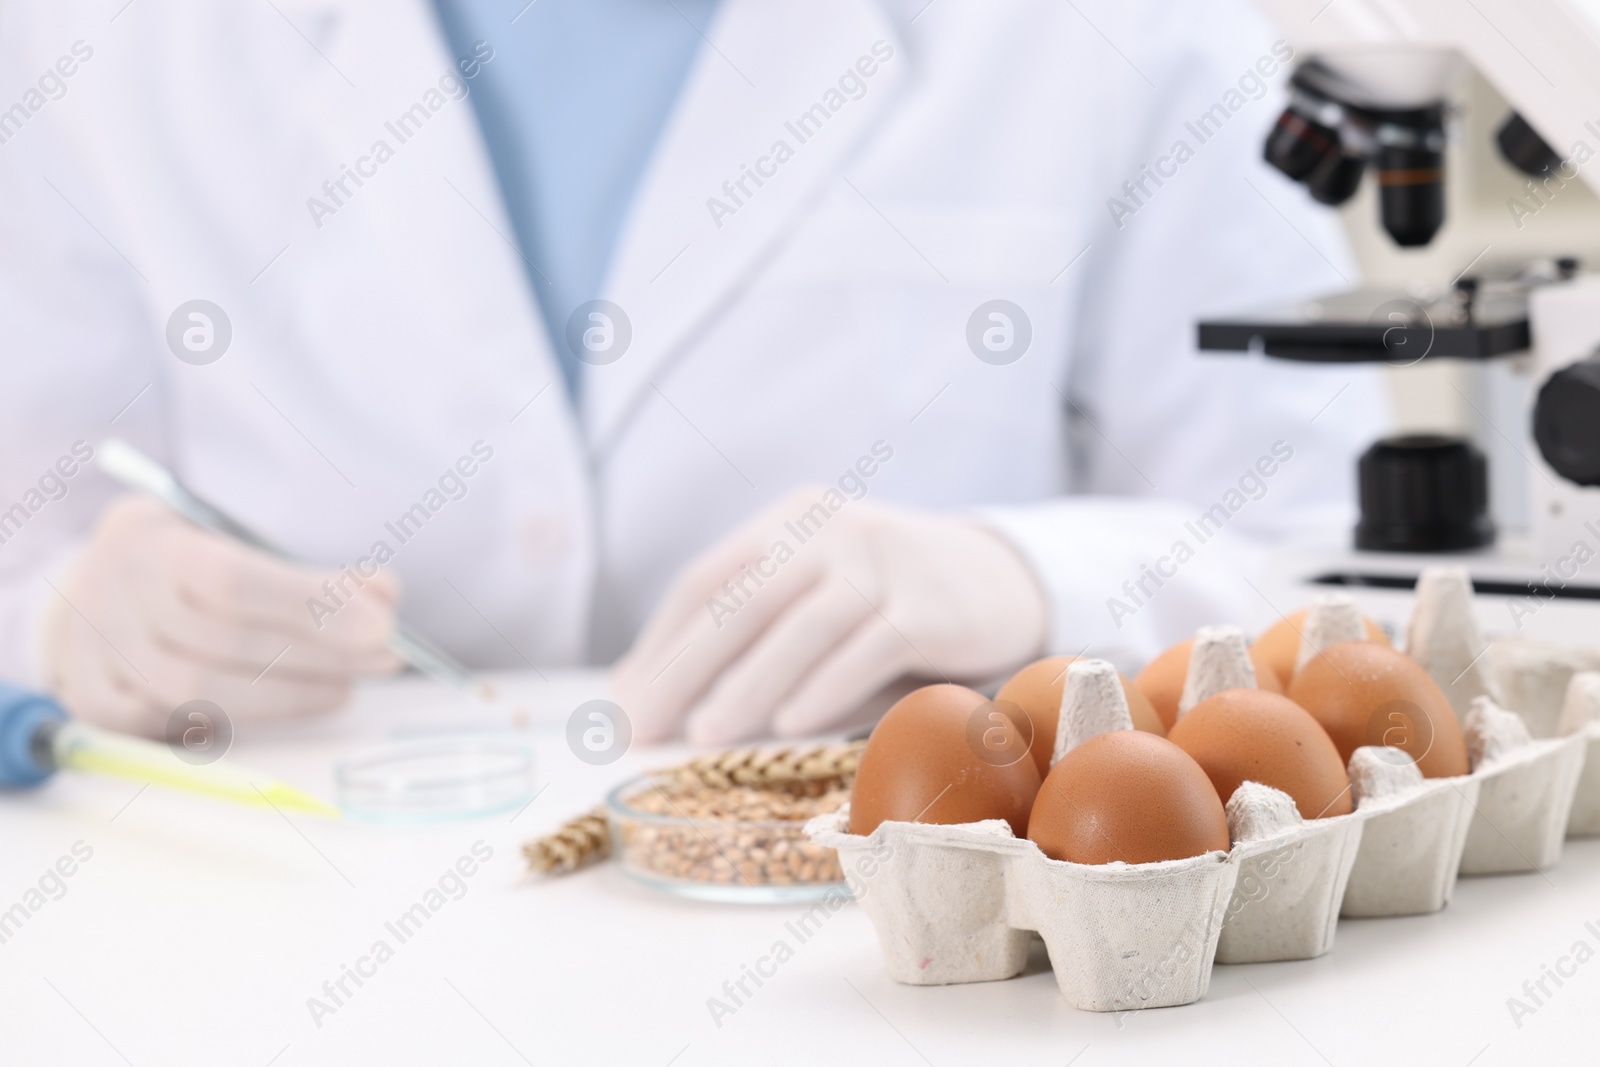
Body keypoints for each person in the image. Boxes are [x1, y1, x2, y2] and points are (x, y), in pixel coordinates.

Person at [0, 0, 1387, 745]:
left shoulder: (1134, 29)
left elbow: (1327, 566)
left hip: (907, 954)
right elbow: (29, 544)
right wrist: (73, 617)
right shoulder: (92, 35)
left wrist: (1023, 583)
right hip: (268, 937)